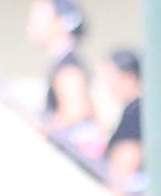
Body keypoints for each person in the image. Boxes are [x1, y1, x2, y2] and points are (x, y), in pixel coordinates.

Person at [27, 0, 105, 162]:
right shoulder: (67, 63)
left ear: (60, 23)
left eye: (37, 20)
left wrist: (43, 128)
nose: (30, 26)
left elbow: (76, 110)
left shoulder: (67, 67)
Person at [99, 48, 144, 196]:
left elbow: (127, 162)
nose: (107, 85)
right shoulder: (132, 111)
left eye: (110, 77)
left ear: (129, 77)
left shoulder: (136, 113)